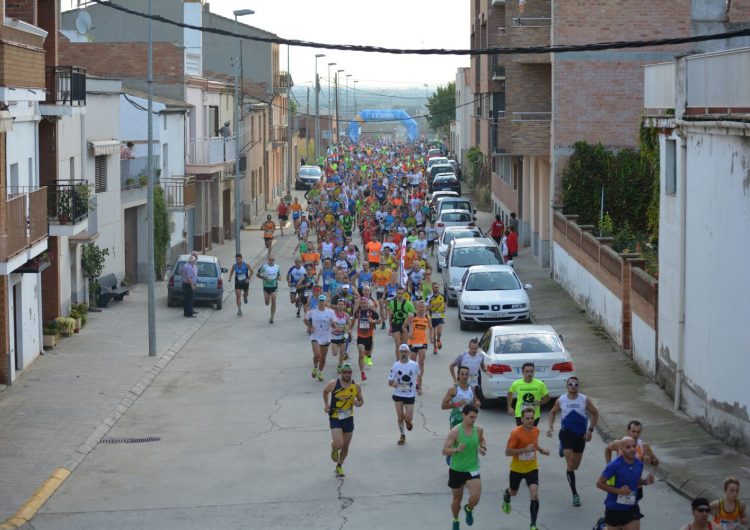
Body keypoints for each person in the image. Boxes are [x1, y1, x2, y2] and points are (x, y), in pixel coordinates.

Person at [546, 376, 599, 507]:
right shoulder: (561, 400)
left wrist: (590, 430)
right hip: (566, 433)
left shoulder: (584, 400)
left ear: (578, 386)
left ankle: (562, 448)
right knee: (570, 464)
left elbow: (595, 413)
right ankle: (575, 494)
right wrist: (551, 427)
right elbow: (552, 412)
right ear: (567, 386)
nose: (573, 387)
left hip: (581, 436)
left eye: (576, 384)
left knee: (576, 466)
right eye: (570, 384)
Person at [502, 407, 550, 530]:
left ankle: (533, 524)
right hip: (517, 469)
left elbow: (534, 444)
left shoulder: (536, 430)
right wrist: (524, 450)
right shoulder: (515, 433)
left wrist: (541, 450)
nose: (530, 420)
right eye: (527, 418)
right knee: (514, 492)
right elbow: (507, 452)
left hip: (532, 468)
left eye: (532, 418)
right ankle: (507, 495)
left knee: (534, 495)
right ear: (522, 419)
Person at [442, 404, 486, 530]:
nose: (473, 420)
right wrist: (456, 450)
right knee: (457, 500)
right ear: (463, 416)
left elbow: (482, 440)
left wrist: (483, 447)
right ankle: (455, 520)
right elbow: (444, 451)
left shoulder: (478, 429)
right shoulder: (455, 431)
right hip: (457, 469)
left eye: (475, 417)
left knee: (475, 496)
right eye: (471, 417)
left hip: (472, 468)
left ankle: (469, 508)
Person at [596, 436, 655, 530]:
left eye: (634, 446)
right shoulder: (614, 465)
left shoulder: (639, 464)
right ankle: (602, 527)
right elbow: (599, 483)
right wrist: (618, 491)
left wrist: (645, 481)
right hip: (614, 508)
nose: (632, 449)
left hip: (631, 507)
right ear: (621, 450)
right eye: (628, 447)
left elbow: (635, 481)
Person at [323, 362, 364, 478]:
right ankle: (334, 448)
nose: (347, 374)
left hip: (348, 418)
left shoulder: (356, 386)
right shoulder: (334, 383)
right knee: (339, 444)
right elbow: (325, 391)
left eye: (349, 372)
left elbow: (361, 400)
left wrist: (358, 403)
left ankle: (339, 466)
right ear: (341, 373)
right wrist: (326, 405)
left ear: (351, 373)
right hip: (335, 417)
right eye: (345, 372)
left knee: (345, 446)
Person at [388, 344, 420, 445]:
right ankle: (402, 435)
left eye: (405, 351)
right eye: (402, 352)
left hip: (410, 395)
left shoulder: (414, 365)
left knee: (408, 417)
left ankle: (409, 422)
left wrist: (420, 387)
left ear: (409, 352)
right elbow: (390, 381)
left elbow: (419, 376)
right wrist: (394, 384)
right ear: (399, 353)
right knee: (400, 416)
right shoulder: (395, 365)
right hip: (398, 394)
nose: (403, 354)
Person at [306, 294, 335, 381]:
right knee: (317, 355)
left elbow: (334, 324)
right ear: (318, 302)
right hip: (315, 336)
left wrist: (333, 324)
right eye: (320, 301)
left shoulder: (330, 312)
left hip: (326, 337)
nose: (322, 303)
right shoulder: (313, 311)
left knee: (323, 357)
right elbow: (305, 319)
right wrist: (310, 326)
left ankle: (320, 372)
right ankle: (315, 367)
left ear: (326, 302)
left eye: (323, 301)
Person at [442, 365, 481, 431]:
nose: (464, 376)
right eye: (462, 374)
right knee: (455, 440)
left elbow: (475, 401)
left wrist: (477, 403)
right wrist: (457, 404)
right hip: (456, 420)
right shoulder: (453, 389)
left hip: (469, 420)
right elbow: (443, 406)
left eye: (466, 374)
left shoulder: (471, 388)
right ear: (458, 375)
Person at [405, 300, 432, 394]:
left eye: (423, 307)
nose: (422, 309)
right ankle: (412, 382)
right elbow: (403, 327)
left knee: (421, 361)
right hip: (412, 342)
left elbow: (431, 329)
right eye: (420, 307)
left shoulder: (428, 318)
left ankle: (419, 385)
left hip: (422, 342)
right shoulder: (412, 317)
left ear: (425, 308)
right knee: (412, 364)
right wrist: (408, 334)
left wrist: (431, 338)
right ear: (417, 308)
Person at [354, 296, 380, 381]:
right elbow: (353, 320)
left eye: (364, 303)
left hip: (369, 337)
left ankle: (368, 356)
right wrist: (349, 330)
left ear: (367, 304)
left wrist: (373, 321)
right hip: (360, 337)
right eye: (361, 303)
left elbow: (380, 321)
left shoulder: (372, 312)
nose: (363, 305)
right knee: (361, 354)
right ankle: (362, 373)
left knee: (367, 352)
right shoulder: (358, 312)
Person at [387, 287, 415, 358]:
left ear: (404, 294)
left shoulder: (409, 304)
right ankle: (398, 361)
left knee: (404, 345)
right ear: (396, 294)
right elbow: (390, 316)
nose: (400, 295)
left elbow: (413, 316)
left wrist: (411, 328)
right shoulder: (392, 303)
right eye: (398, 293)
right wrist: (390, 327)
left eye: (401, 293)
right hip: (395, 324)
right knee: (397, 344)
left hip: (405, 325)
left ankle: (405, 359)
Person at [257, 254, 280, 324]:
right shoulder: (264, 267)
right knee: (267, 303)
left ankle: (272, 317)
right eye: (270, 260)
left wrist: (279, 278)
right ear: (268, 260)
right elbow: (257, 275)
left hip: (274, 287)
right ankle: (267, 300)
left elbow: (279, 275)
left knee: (274, 300)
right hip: (266, 287)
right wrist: (264, 278)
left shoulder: (277, 267)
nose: (271, 261)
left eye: (273, 260)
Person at [427, 281, 446, 354]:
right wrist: (429, 307)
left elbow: (445, 303)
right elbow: (426, 308)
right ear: (432, 288)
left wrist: (444, 308)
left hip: (440, 316)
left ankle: (439, 339)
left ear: (438, 287)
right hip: (432, 317)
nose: (436, 288)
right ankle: (435, 347)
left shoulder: (442, 296)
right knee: (434, 334)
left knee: (439, 332)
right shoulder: (429, 297)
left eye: (437, 287)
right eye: (434, 287)